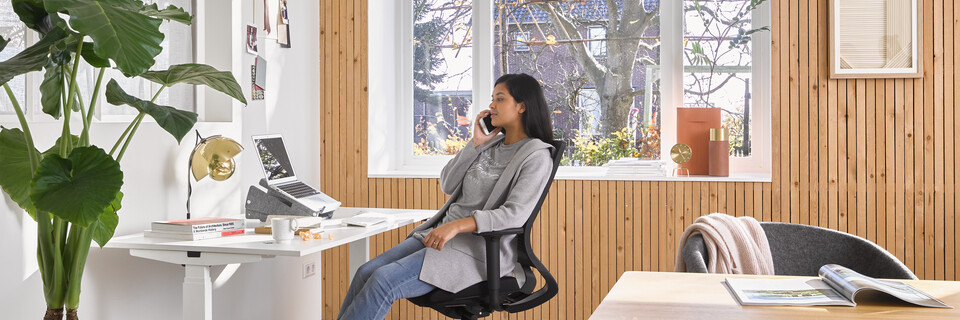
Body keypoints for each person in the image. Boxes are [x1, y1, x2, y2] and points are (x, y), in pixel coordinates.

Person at [337, 73, 556, 320]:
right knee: (365, 271)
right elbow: (448, 183)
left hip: (473, 248)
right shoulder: (491, 145)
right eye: (492, 98)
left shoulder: (536, 156)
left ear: (522, 106)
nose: (491, 105)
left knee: (382, 281)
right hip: (439, 235)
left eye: (500, 99)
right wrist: (475, 143)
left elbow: (514, 214)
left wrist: (456, 227)